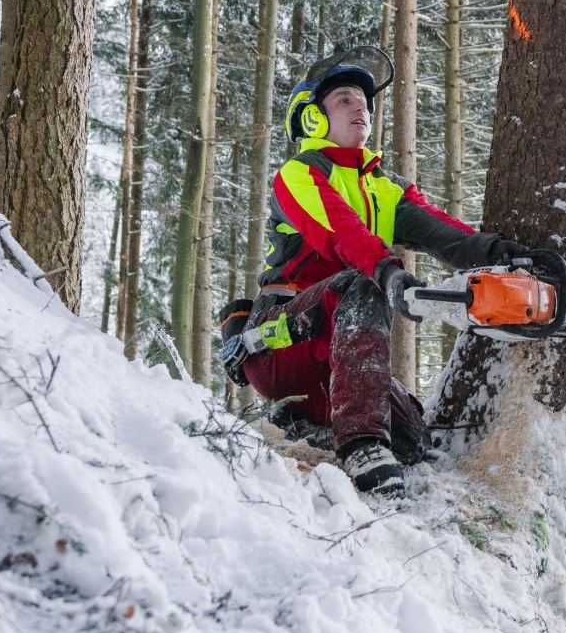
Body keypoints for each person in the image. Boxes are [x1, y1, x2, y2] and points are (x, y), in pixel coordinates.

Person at [219, 47, 537, 493]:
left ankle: (307, 421)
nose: (361, 108)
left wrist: (504, 254)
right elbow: (341, 231)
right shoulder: (299, 174)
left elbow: (447, 234)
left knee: (413, 441)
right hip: (281, 341)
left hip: (334, 360)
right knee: (363, 284)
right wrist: (388, 273)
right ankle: (360, 446)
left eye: (365, 102)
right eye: (346, 98)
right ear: (312, 118)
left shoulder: (383, 189)